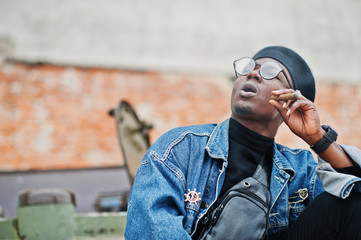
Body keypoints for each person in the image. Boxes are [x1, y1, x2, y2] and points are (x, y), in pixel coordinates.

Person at [124, 46, 361, 239]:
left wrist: (318, 139)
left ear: (291, 100)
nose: (253, 73)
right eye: (249, 67)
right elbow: (150, 230)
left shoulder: (301, 170)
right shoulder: (181, 148)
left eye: (270, 72)